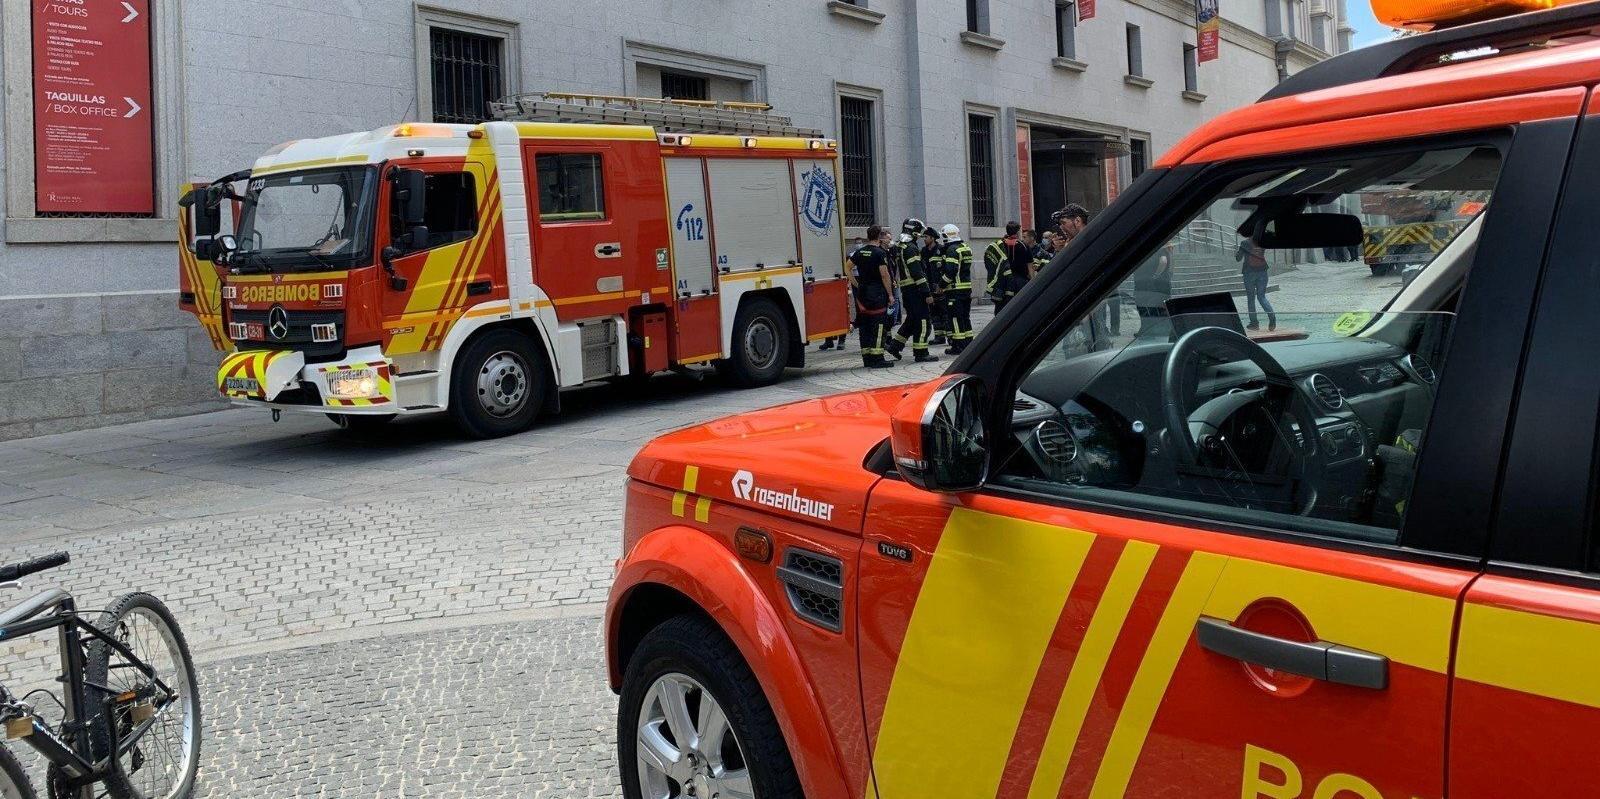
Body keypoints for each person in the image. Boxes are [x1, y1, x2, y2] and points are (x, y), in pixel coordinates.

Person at [886, 226, 939, 363]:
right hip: (916, 290)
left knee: (911, 319)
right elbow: (917, 273)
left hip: (907, 289)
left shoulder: (901, 246)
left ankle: (894, 346)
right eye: (919, 233)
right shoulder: (911, 248)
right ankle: (921, 353)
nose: (920, 236)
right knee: (923, 321)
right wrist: (927, 292)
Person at [851, 225, 896, 367]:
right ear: (879, 237)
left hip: (863, 293)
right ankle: (877, 358)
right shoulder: (879, 253)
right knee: (878, 326)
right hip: (877, 294)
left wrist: (856, 284)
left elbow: (847, 267)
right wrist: (890, 295)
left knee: (864, 325)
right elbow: (884, 275)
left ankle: (867, 358)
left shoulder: (860, 252)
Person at [939, 223, 975, 355]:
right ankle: (969, 344)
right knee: (965, 317)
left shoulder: (952, 250)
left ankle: (958, 346)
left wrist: (941, 285)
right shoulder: (965, 247)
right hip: (966, 289)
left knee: (955, 318)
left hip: (954, 290)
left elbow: (951, 271)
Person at [984, 221, 1033, 314]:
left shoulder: (998, 245)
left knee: (1000, 307)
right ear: (1018, 232)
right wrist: (1032, 281)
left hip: (1001, 282)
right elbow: (1030, 267)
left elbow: (990, 263)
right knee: (1019, 307)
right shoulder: (1024, 246)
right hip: (1019, 281)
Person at [1236, 236, 1277, 331]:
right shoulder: (1262, 241)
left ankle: (1254, 324)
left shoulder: (1244, 243)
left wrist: (1237, 253)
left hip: (1249, 272)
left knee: (1251, 298)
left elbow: (1238, 258)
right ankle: (1272, 317)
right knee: (1262, 297)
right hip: (1262, 271)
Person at [925, 227, 950, 346]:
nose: (924, 239)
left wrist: (942, 284)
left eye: (926, 237)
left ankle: (950, 337)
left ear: (932, 238)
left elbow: (946, 268)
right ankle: (939, 336)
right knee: (934, 313)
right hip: (929, 286)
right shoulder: (923, 251)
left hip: (941, 286)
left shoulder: (941, 250)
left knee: (945, 312)